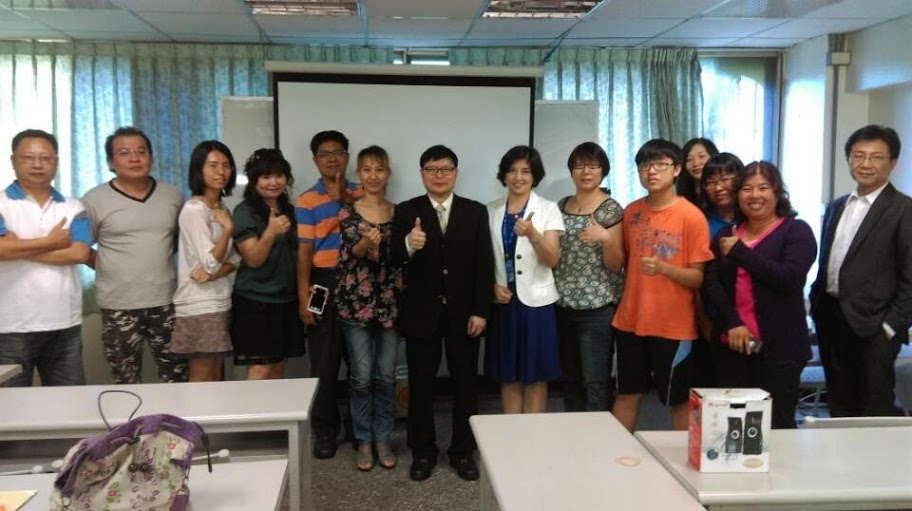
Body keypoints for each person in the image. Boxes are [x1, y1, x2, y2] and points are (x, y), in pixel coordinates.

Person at [391, 144, 494, 482]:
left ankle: (463, 452)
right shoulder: (406, 210)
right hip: (422, 313)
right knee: (421, 386)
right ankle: (423, 451)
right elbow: (393, 258)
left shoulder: (475, 211)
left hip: (465, 315)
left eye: (446, 169)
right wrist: (409, 244)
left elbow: (484, 264)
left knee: (466, 386)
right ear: (422, 174)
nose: (439, 175)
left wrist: (481, 311)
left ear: (456, 173)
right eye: (432, 169)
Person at [704, 161, 817, 429]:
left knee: (775, 426)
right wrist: (732, 322)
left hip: (780, 350)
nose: (754, 195)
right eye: (746, 188)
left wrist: (740, 252)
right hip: (732, 346)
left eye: (763, 188)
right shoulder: (727, 233)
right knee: (734, 427)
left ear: (777, 192)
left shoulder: (796, 231)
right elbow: (711, 282)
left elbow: (788, 278)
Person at [611, 138, 713, 432]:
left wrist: (664, 268)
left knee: (677, 400)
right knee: (627, 393)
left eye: (660, 164)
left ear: (677, 169)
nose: (651, 171)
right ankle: (616, 453)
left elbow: (698, 278)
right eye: (645, 166)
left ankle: (682, 460)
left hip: (674, 325)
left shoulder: (691, 217)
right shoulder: (631, 212)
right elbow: (621, 262)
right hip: (630, 320)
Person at [810, 125, 912, 417]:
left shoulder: (904, 209)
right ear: (849, 159)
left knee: (872, 410)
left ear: (893, 163)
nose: (866, 163)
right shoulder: (836, 206)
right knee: (839, 406)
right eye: (858, 155)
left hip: (875, 327)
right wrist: (818, 308)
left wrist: (890, 327)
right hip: (831, 320)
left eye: (876, 157)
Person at [82, 126, 187, 384]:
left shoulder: (172, 195)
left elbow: (177, 242)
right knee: (125, 379)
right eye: (124, 153)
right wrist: (109, 267)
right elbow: (82, 248)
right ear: (111, 162)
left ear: (151, 157)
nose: (134, 158)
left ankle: (174, 414)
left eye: (141, 151)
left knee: (177, 375)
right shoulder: (94, 200)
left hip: (166, 302)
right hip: (119, 305)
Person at [0, 129, 90, 387]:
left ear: (56, 162)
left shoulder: (73, 207)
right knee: (9, 404)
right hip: (9, 325)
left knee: (70, 402)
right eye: (29, 157)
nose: (38, 164)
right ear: (13, 161)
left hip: (64, 323)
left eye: (46, 158)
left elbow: (80, 253)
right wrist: (52, 242)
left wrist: (17, 246)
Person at [336, 145, 404, 472]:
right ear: (358, 174)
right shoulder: (348, 212)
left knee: (387, 376)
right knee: (362, 377)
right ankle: (363, 439)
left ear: (387, 173)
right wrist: (367, 241)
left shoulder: (399, 212)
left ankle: (383, 438)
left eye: (379, 169)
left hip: (391, 303)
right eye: (367, 169)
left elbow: (404, 255)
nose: (373, 176)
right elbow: (355, 253)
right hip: (356, 304)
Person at [295, 130, 363, 460]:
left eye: (338, 152)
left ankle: (358, 427)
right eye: (325, 153)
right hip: (321, 282)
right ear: (315, 160)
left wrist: (346, 199)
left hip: (360, 280)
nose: (332, 158)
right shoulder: (306, 200)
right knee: (323, 361)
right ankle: (325, 431)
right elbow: (304, 252)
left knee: (360, 362)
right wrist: (303, 297)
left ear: (347, 157)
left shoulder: (362, 192)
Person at [486, 146, 564, 414]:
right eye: (512, 171)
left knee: (535, 375)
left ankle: (534, 434)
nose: (518, 177)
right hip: (503, 302)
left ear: (535, 176)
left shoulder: (548, 209)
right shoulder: (490, 210)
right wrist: (491, 288)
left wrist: (533, 234)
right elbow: (483, 260)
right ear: (504, 175)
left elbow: (551, 259)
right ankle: (513, 434)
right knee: (508, 375)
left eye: (525, 171)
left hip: (537, 304)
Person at [552, 142, 624, 412]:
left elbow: (616, 264)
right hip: (563, 303)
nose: (586, 171)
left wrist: (606, 239)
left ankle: (600, 433)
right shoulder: (561, 205)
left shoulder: (611, 209)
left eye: (593, 166)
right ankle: (573, 431)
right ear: (571, 170)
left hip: (598, 307)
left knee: (596, 380)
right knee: (569, 378)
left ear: (603, 170)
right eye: (580, 165)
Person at [169, 140, 240, 382]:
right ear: (198, 169)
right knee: (202, 379)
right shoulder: (194, 209)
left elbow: (234, 259)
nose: (221, 172)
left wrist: (217, 273)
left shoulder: (221, 208)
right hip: (199, 303)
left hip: (219, 300)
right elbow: (210, 262)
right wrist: (228, 231)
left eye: (226, 165)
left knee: (216, 376)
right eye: (213, 165)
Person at [230, 148, 304, 380]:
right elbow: (253, 259)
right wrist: (271, 233)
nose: (273, 182)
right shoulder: (244, 212)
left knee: (279, 365)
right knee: (261, 368)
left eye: (279, 175)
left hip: (286, 299)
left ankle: (274, 407)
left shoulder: (290, 210)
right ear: (254, 181)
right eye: (265, 176)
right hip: (255, 301)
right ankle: (253, 407)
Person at [691, 152, 745, 388]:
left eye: (726, 179)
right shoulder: (700, 222)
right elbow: (697, 278)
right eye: (711, 182)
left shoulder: (755, 219)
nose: (719, 187)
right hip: (712, 317)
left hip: (753, 320)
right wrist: (703, 320)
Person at [677, 138, 719, 208]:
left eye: (701, 156)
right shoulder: (683, 197)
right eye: (689, 159)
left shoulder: (721, 190)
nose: (696, 163)